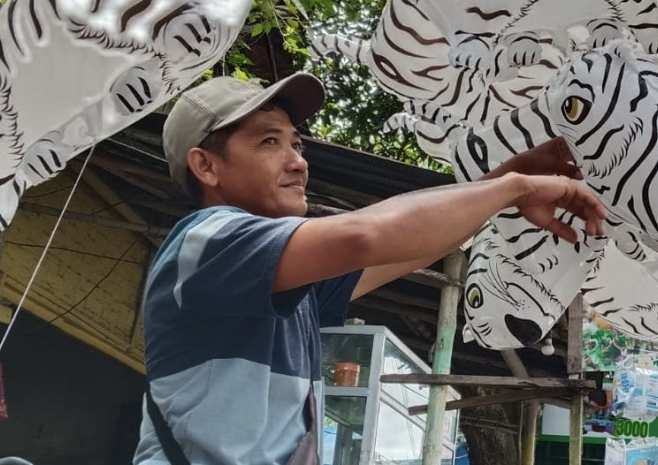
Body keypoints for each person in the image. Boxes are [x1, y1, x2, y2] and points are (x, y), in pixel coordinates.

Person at [133, 73, 606, 465]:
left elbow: (404, 248)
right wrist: (516, 188)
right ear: (206, 166)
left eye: (297, 144)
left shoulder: (277, 277)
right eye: (269, 141)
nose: (298, 162)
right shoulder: (208, 240)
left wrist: (506, 177)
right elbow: (369, 235)